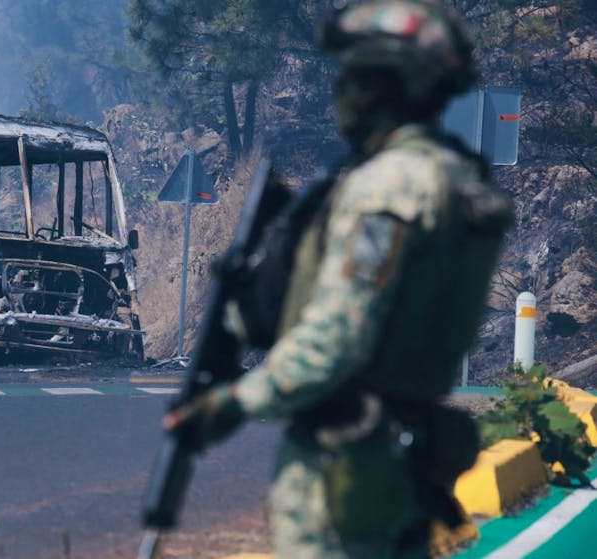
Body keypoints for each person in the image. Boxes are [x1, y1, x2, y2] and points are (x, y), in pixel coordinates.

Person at [164, 1, 513, 557]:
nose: (342, 93)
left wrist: (233, 402)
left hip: (344, 466)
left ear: (383, 84)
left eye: (354, 76)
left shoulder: (389, 189)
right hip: (404, 458)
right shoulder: (458, 182)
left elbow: (338, 338)